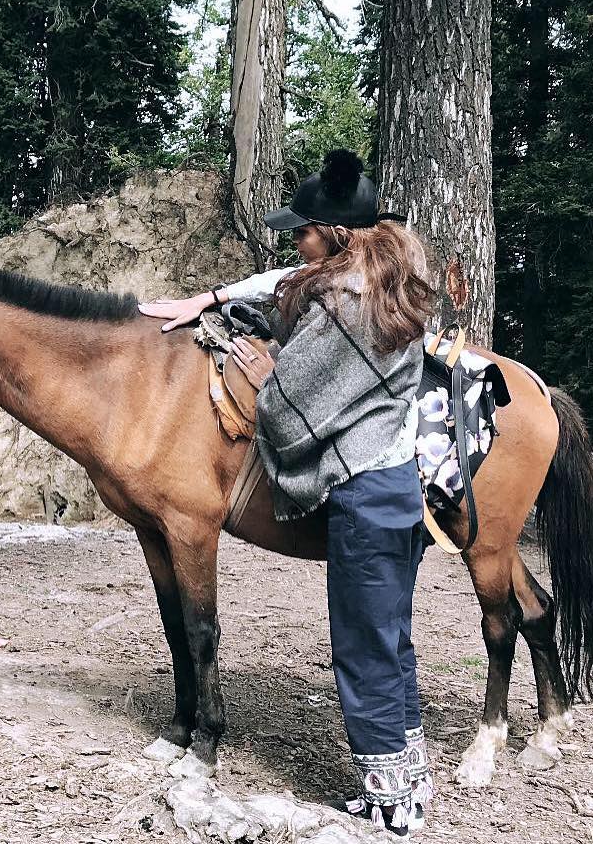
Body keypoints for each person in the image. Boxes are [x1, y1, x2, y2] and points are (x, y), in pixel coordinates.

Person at [139, 150, 434, 839]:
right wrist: (224, 304)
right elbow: (285, 289)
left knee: (360, 646)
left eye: (301, 231)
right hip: (399, 485)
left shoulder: (343, 307)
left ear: (334, 235)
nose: (293, 241)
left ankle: (390, 807)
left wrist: (263, 364)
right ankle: (406, 783)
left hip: (359, 494)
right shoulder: (389, 288)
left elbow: (286, 401)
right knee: (391, 639)